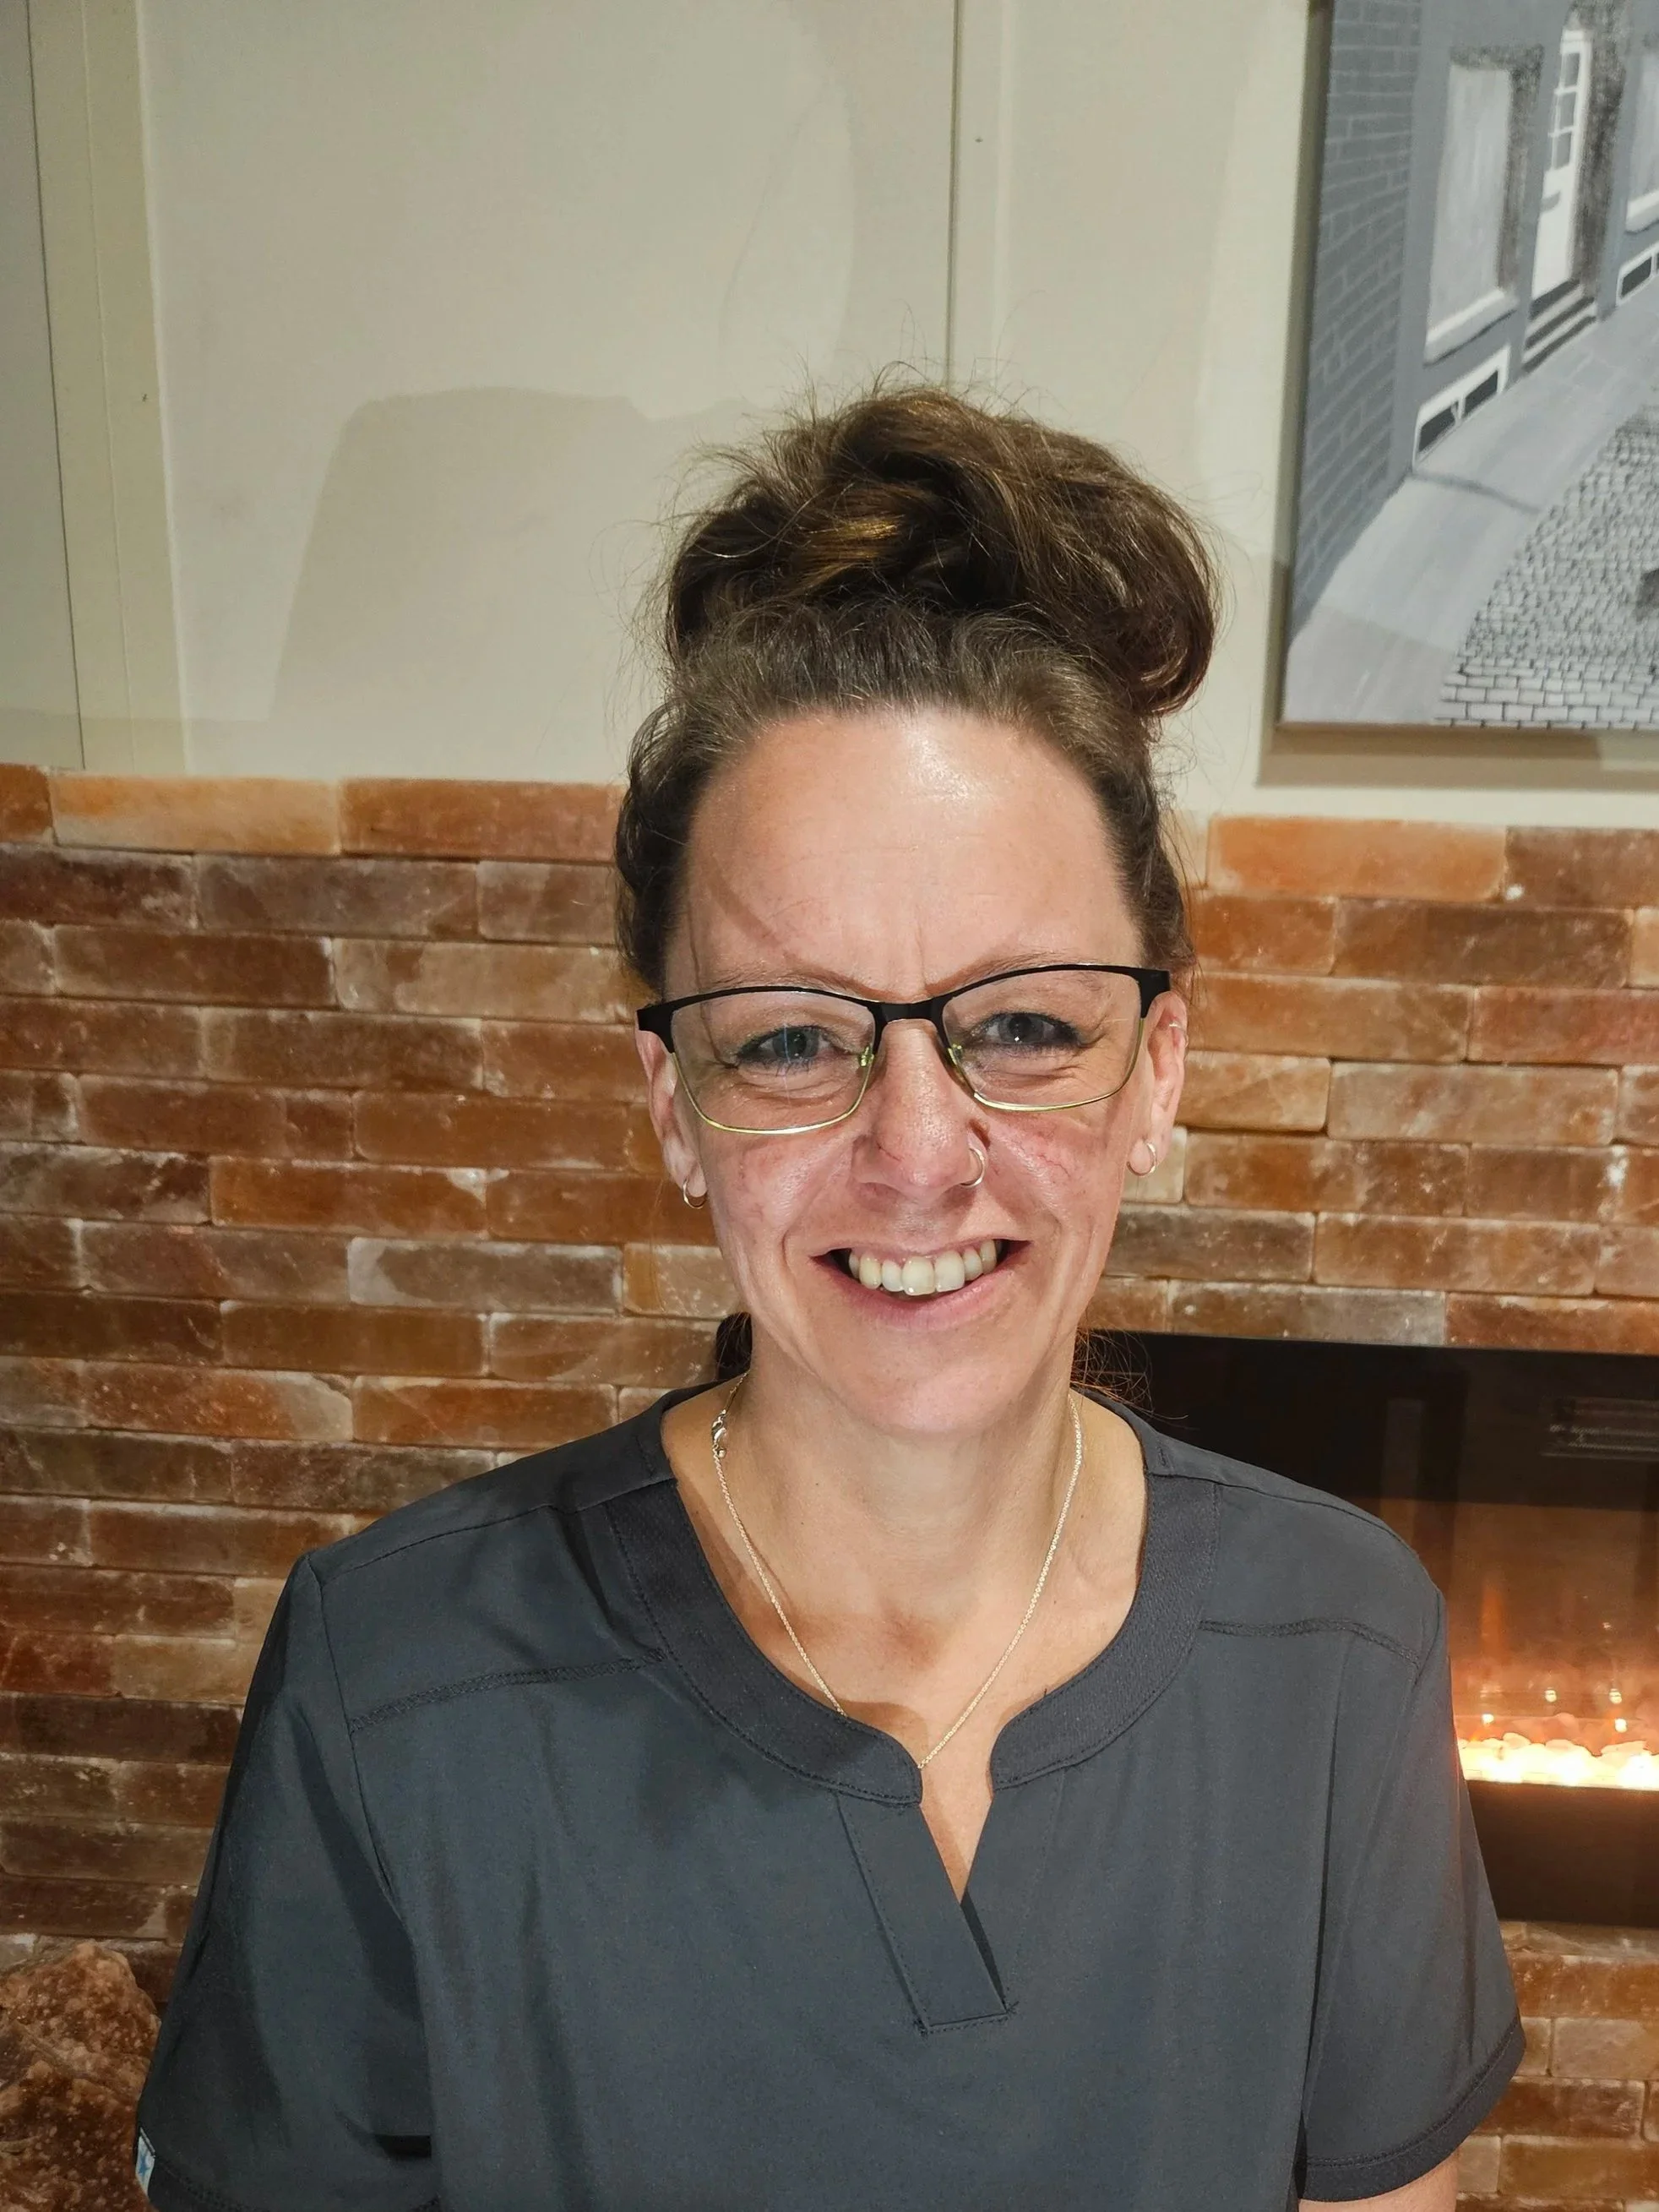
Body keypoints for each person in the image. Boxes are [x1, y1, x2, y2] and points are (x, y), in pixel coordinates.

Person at [136, 385, 1520, 2211]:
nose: (918, 1151)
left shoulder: (1337, 1653)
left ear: (1159, 1069)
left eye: (1023, 1023)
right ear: (676, 1105)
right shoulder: (396, 1686)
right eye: (792, 1039)